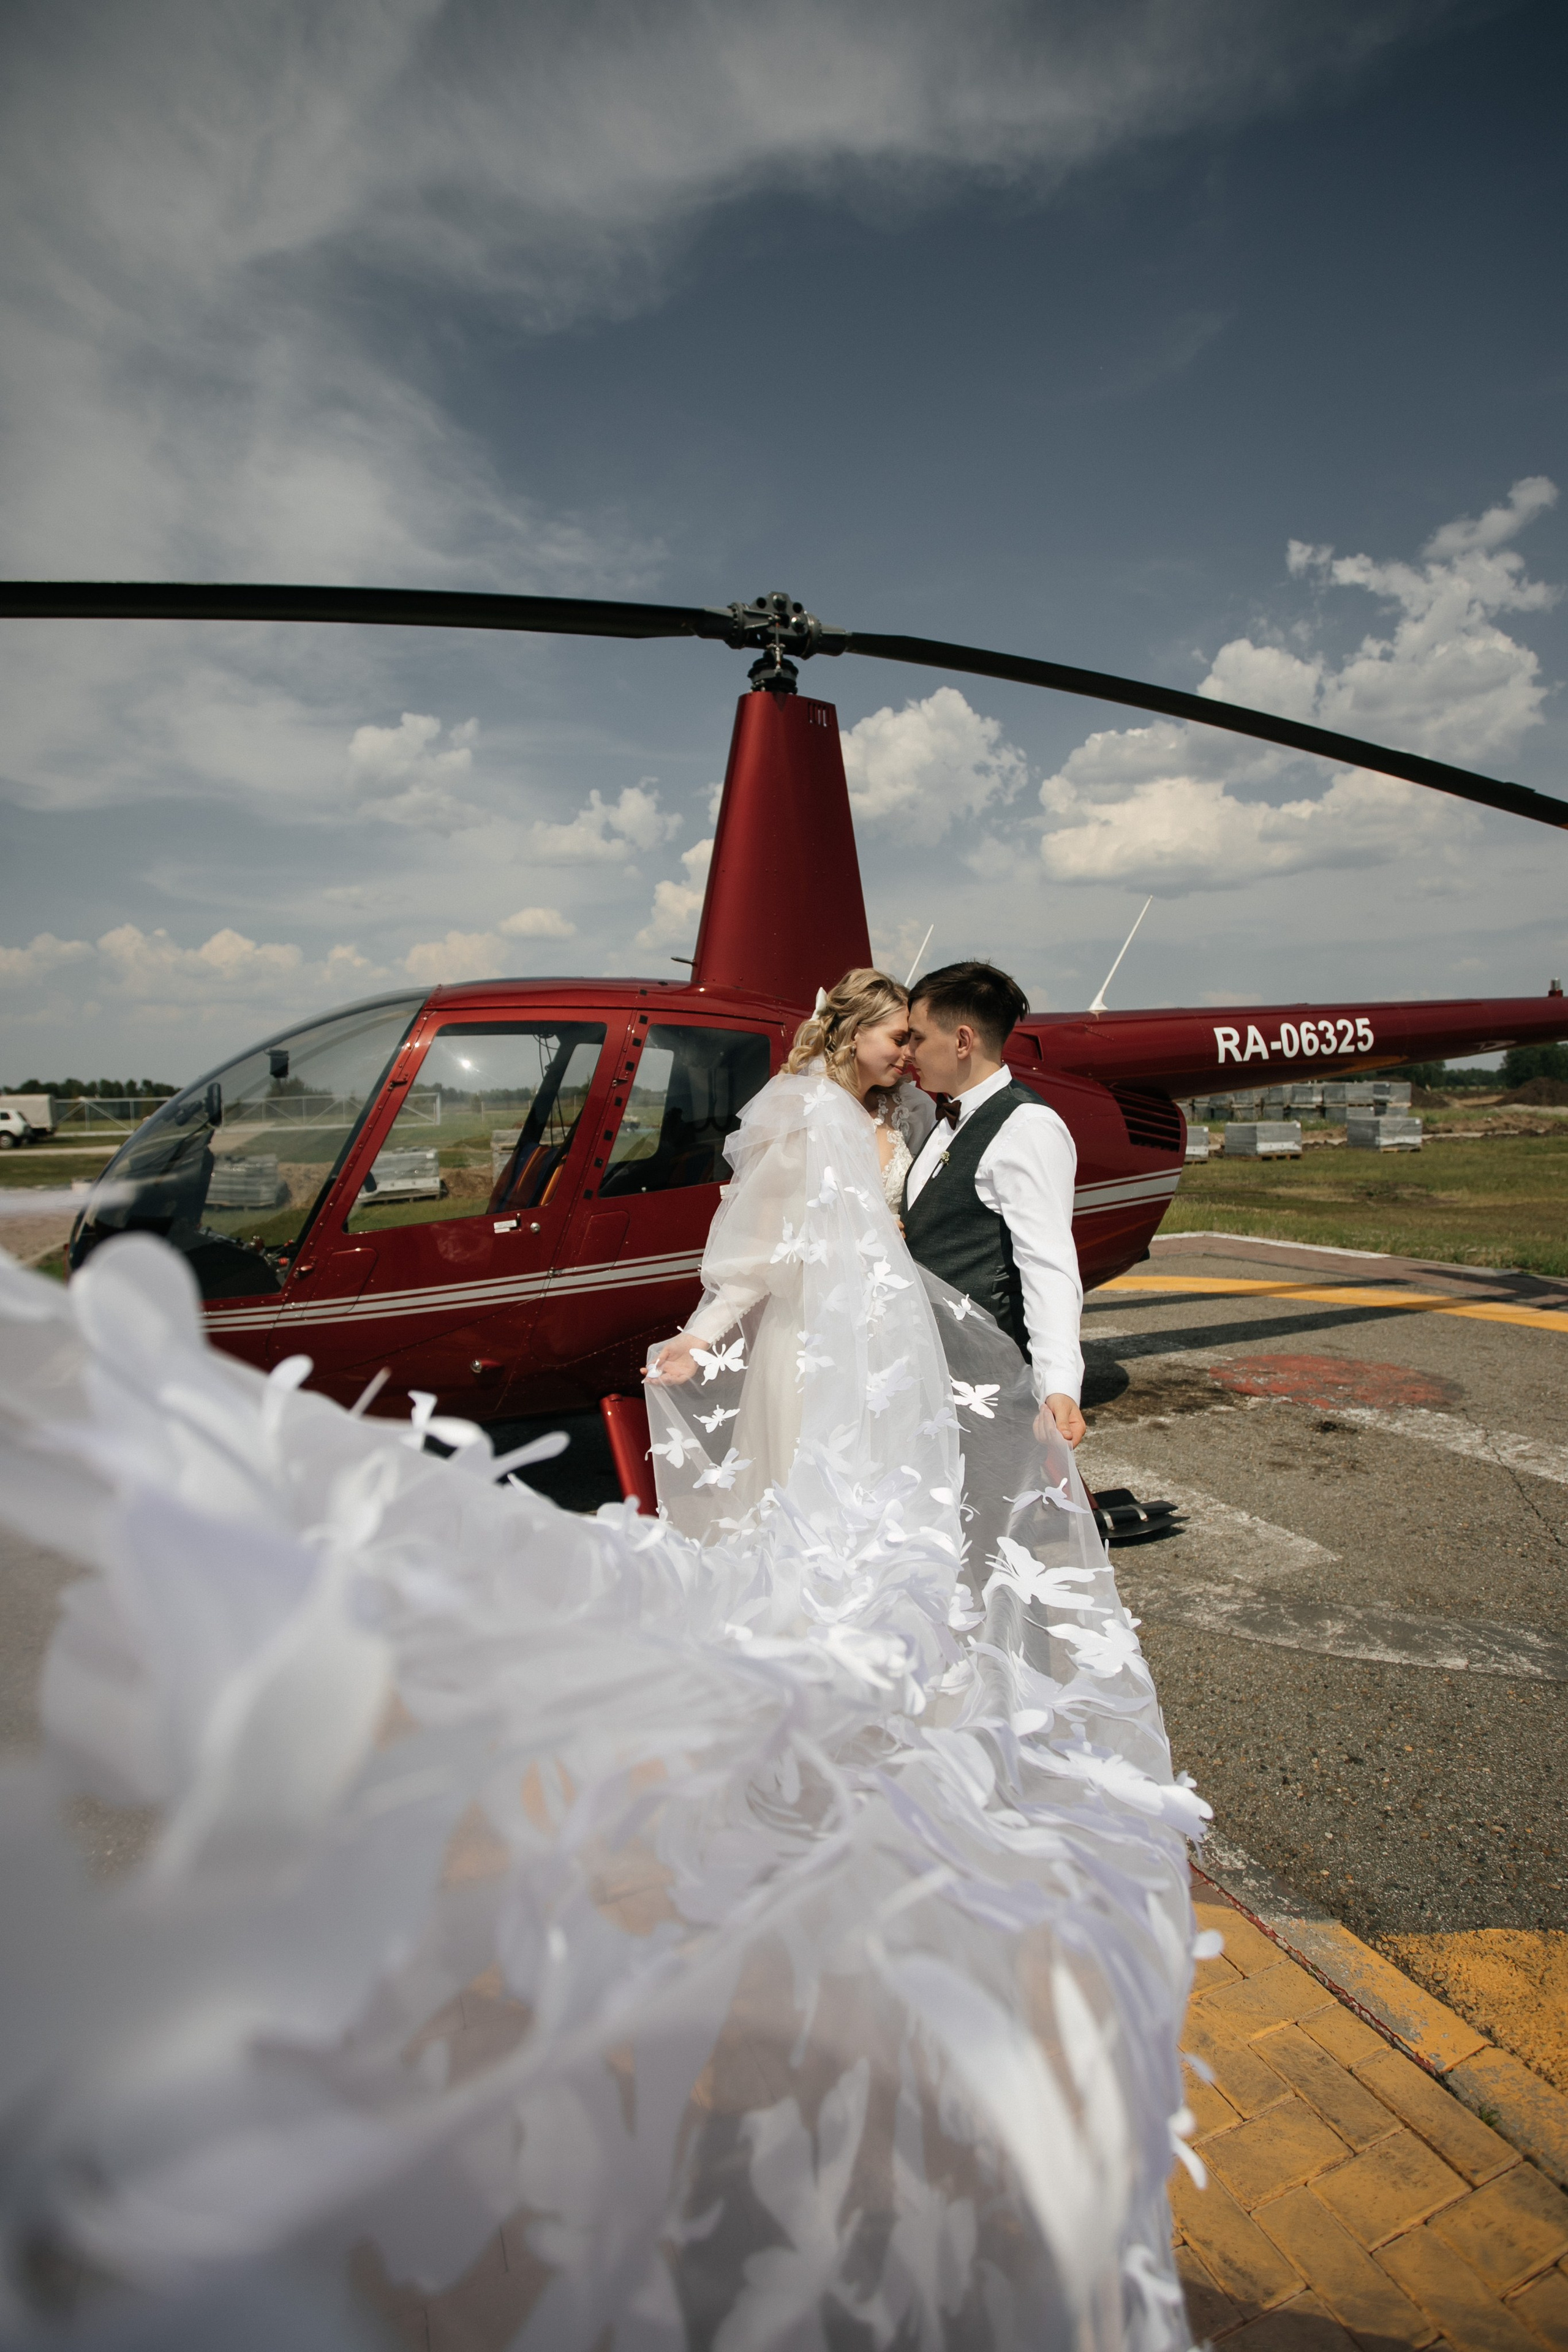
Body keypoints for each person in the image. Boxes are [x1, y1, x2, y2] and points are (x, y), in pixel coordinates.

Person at [903, 959, 1088, 1450]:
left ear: (963, 1041)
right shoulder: (944, 1121)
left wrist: (1059, 1385)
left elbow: (1047, 1265)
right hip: (927, 1377)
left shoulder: (1026, 1128)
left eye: (917, 1038)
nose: (909, 1053)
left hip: (985, 1382)